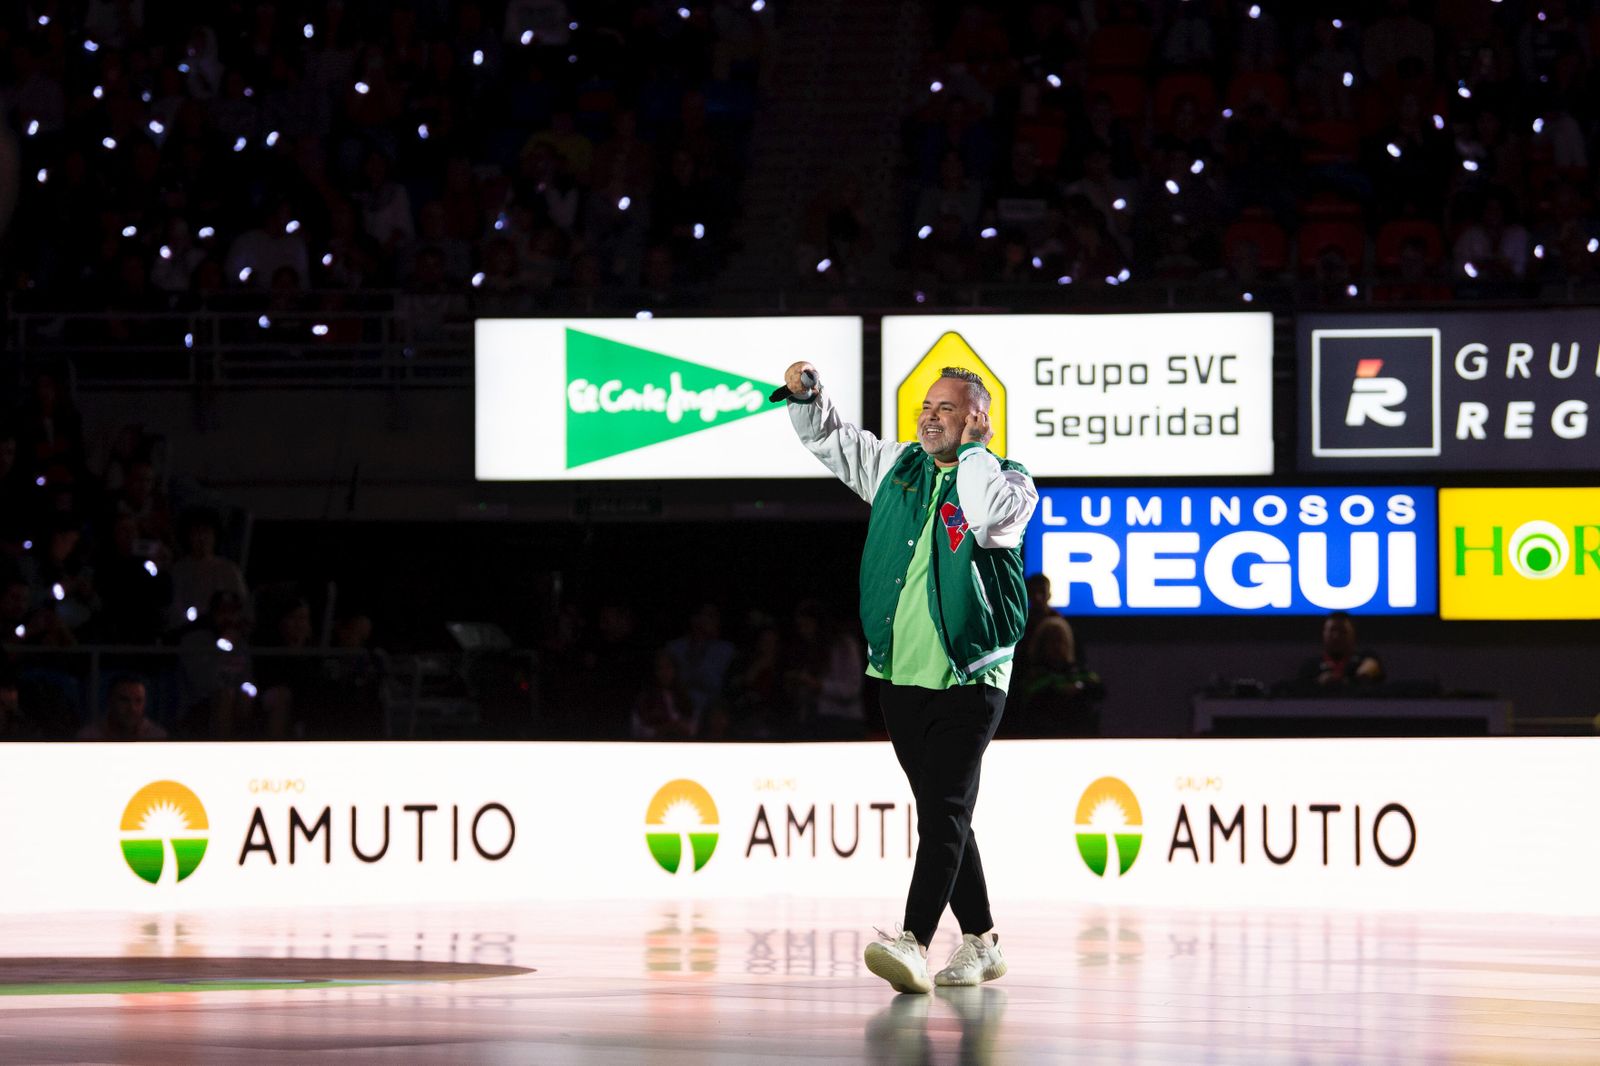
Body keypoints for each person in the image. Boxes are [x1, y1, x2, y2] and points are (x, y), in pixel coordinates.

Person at [781, 360, 1037, 994]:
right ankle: (981, 942)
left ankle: (914, 942)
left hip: (971, 678)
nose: (929, 416)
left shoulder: (1008, 483)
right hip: (900, 675)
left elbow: (980, 518)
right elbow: (833, 442)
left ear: (978, 419)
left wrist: (975, 450)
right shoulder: (897, 468)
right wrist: (810, 395)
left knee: (945, 808)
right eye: (926, 406)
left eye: (946, 408)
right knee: (943, 813)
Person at [1296, 611, 1385, 692]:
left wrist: (1354, 679)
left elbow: (1371, 670)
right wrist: (1318, 683)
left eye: (1342, 631)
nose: (1336, 636)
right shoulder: (1310, 666)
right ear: (1323, 633)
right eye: (1332, 630)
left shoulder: (1365, 659)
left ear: (1353, 634)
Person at [77, 675, 167, 741]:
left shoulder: (157, 737)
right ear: (110, 701)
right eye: (124, 700)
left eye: (138, 701)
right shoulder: (89, 737)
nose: (132, 708)